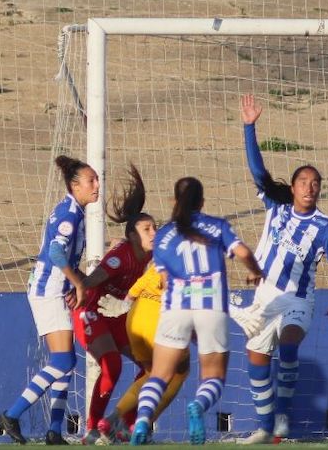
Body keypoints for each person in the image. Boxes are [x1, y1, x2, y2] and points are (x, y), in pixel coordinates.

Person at [237, 93, 328, 444]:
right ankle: (264, 425)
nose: (310, 187)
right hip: (265, 296)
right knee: (255, 358)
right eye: (304, 182)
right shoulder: (276, 207)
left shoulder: (325, 225)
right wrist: (249, 127)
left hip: (298, 299)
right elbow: (258, 170)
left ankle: (284, 415)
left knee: (288, 346)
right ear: (292, 187)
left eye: (315, 183)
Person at [130, 176, 264, 445]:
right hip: (211, 306)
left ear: (174, 201)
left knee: (159, 375)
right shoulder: (217, 226)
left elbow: (164, 280)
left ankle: (143, 418)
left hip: (175, 307)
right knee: (214, 375)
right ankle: (198, 407)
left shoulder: (165, 235)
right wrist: (256, 272)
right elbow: (244, 253)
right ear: (202, 202)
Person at [0, 155, 99, 445]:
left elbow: (63, 257)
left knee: (66, 362)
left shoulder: (73, 211)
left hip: (54, 287)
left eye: (97, 179)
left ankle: (55, 430)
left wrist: (77, 280)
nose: (96, 185)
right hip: (49, 290)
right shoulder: (69, 215)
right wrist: (78, 282)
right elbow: (56, 253)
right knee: (64, 360)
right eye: (91, 181)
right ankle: (13, 414)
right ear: (75, 185)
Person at [72, 165, 156, 444]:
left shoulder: (151, 257)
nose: (154, 232)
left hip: (116, 314)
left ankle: (124, 426)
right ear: (133, 235)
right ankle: (93, 427)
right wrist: (81, 286)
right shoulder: (122, 254)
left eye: (155, 227)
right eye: (147, 229)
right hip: (92, 311)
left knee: (152, 367)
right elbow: (98, 276)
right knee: (112, 364)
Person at [95, 263, 190, 443]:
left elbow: (143, 280)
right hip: (160, 320)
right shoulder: (191, 256)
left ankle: (112, 419)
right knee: (179, 373)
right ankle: (142, 427)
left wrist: (126, 302)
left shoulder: (159, 255)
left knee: (150, 375)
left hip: (136, 317)